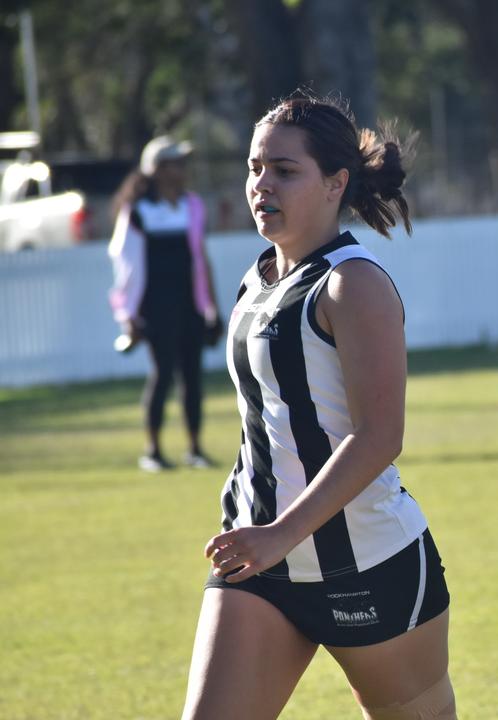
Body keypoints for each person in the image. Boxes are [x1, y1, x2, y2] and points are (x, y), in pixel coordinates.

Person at [181, 95, 455, 720]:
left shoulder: (352, 283)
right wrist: (263, 529)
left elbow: (381, 435)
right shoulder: (258, 279)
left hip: (369, 561)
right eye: (254, 168)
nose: (262, 185)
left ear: (336, 184)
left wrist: (282, 533)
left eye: (284, 169)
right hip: (257, 561)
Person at [108, 135, 221, 472]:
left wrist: (212, 307)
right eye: (175, 163)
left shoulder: (192, 205)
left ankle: (195, 448)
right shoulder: (138, 212)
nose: (182, 170)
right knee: (162, 376)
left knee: (193, 377)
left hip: (189, 306)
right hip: (155, 308)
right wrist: (126, 314)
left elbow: (201, 259)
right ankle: (153, 451)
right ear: (156, 170)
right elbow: (125, 265)